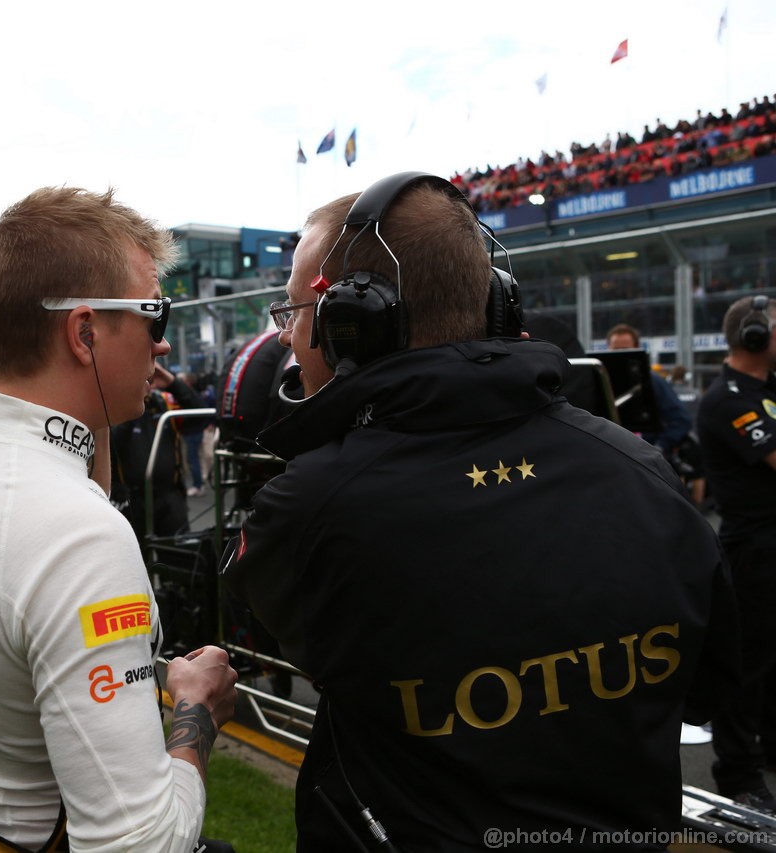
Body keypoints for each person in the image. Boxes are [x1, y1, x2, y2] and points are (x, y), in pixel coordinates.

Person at [222, 172, 737, 851]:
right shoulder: (641, 469)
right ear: (495, 304)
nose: (287, 338)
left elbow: (282, 637)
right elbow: (707, 688)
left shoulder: (310, 507)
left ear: (355, 325)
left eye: (294, 313)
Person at [0, 186, 237, 852]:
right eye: (155, 314)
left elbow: (63, 488)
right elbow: (140, 844)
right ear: (83, 332)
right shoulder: (77, 539)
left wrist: (94, 403)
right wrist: (196, 713)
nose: (162, 344)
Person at [697, 294, 776, 809]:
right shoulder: (728, 397)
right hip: (756, 549)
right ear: (753, 336)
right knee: (749, 666)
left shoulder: (764, 389)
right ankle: (738, 775)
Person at [110, 364, 203, 537]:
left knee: (179, 556)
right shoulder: (115, 405)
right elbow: (111, 443)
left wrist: (172, 382)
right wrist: (134, 403)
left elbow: (200, 418)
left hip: (169, 496)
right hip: (131, 499)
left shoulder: (163, 404)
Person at [605, 323, 693, 455]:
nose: (619, 355)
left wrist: (660, 447)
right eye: (615, 350)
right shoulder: (600, 382)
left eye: (625, 349)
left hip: (644, 457)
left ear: (637, 349)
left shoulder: (653, 382)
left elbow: (681, 420)